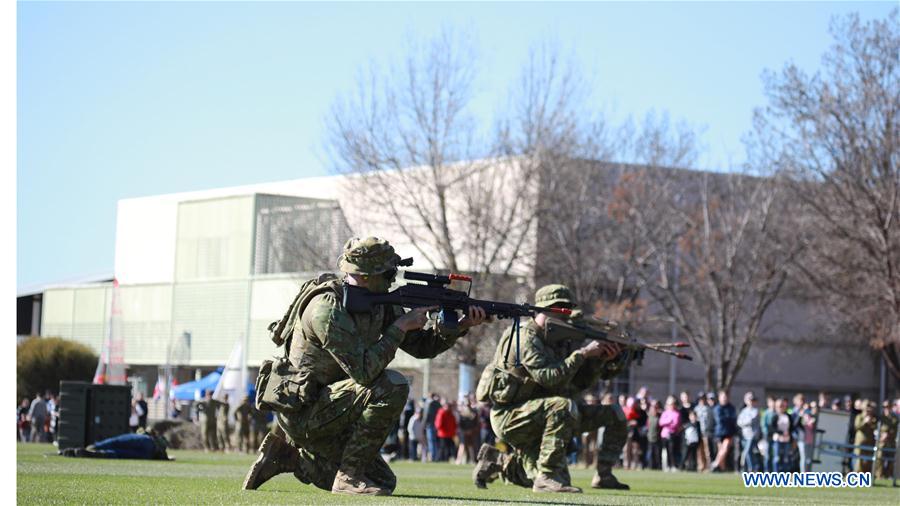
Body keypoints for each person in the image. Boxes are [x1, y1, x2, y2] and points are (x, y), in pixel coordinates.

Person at [242, 237, 486, 496]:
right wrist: (400, 326)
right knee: (392, 384)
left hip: (336, 406)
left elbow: (422, 348)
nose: (393, 279)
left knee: (383, 481)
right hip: (305, 413)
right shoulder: (326, 308)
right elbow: (364, 372)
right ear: (367, 276)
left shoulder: (378, 301)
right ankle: (347, 477)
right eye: (389, 273)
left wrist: (460, 327)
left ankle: (289, 459)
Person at [472, 284, 630, 493]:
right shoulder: (524, 337)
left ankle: (603, 475)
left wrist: (601, 360)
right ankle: (546, 478)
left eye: (566, 311)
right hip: (511, 416)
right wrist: (582, 354)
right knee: (562, 406)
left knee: (615, 414)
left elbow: (578, 384)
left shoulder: (559, 340)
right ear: (539, 310)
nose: (563, 317)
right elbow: (550, 379)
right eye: (556, 310)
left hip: (544, 412)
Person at [59, 430, 172, 461]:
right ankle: (100, 454)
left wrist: (97, 444)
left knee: (117, 442)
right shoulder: (162, 450)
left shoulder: (149, 437)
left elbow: (118, 440)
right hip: (148, 456)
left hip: (146, 441)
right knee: (121, 454)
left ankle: (96, 448)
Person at [711, 390, 737, 472]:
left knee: (724, 449)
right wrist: (728, 419)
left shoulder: (731, 408)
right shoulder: (717, 408)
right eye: (723, 397)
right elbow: (720, 420)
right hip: (719, 432)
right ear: (719, 398)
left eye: (726, 397)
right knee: (721, 451)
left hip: (729, 432)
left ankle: (715, 464)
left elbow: (733, 419)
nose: (724, 399)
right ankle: (721, 468)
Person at [737, 392, 761, 472]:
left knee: (747, 452)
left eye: (752, 400)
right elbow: (739, 422)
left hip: (752, 435)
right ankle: (749, 468)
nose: (751, 401)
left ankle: (751, 468)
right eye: (749, 400)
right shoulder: (743, 411)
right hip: (745, 435)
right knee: (749, 453)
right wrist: (744, 423)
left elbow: (750, 421)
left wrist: (744, 422)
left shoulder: (756, 411)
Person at [769, 397, 794, 472]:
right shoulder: (775, 416)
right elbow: (772, 428)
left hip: (786, 439)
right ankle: (776, 473)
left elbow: (792, 427)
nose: (782, 408)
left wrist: (788, 433)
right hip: (777, 439)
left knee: (786, 458)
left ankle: (784, 473)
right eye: (780, 406)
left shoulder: (788, 416)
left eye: (783, 406)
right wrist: (781, 432)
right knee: (777, 458)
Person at [853, 400, 877, 473]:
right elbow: (857, 427)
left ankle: (866, 475)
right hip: (860, 442)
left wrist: (871, 423)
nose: (868, 411)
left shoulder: (874, 419)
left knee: (869, 460)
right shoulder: (859, 417)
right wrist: (864, 422)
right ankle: (858, 474)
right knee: (859, 460)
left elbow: (875, 428)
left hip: (870, 442)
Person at [875, 400, 898, 479]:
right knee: (879, 460)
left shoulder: (894, 418)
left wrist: (887, 434)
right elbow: (876, 428)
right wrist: (881, 435)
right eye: (884, 407)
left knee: (890, 461)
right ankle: (879, 476)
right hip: (881, 442)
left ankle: (888, 476)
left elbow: (894, 429)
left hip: (890, 442)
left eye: (887, 407)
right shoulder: (880, 418)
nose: (886, 409)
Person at [659, 396, 681, 472]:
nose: (671, 406)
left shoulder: (676, 413)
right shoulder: (665, 413)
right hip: (664, 435)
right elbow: (661, 422)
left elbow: (675, 424)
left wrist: (667, 423)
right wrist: (669, 421)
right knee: (665, 451)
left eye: (672, 404)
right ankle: (666, 466)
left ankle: (673, 465)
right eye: (669, 404)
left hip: (672, 435)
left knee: (672, 451)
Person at [693, 393, 714, 472]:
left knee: (707, 450)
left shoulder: (708, 409)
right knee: (699, 450)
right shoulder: (696, 409)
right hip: (698, 432)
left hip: (706, 432)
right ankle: (701, 465)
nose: (702, 400)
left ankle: (709, 466)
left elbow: (710, 421)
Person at [791, 394, 808, 472]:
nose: (802, 402)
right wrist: (800, 416)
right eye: (800, 400)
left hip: (805, 437)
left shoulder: (806, 411)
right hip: (796, 437)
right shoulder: (794, 411)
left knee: (803, 456)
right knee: (795, 456)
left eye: (803, 400)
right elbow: (793, 424)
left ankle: (802, 472)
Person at [759, 396, 776, 472]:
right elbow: (763, 425)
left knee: (774, 455)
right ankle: (767, 471)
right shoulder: (766, 413)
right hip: (768, 436)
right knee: (767, 455)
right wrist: (767, 433)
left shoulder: (776, 413)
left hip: (775, 437)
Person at [424, 393, 441, 462]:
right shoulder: (438, 404)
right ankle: (436, 456)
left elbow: (427, 415)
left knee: (431, 441)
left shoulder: (429, 404)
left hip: (430, 424)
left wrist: (424, 424)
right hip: (436, 425)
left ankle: (432, 457)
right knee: (435, 442)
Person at [645, 401, 662, 470]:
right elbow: (647, 426)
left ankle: (658, 467)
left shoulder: (659, 417)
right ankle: (650, 466)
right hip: (650, 438)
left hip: (657, 438)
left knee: (657, 453)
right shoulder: (649, 417)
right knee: (650, 453)